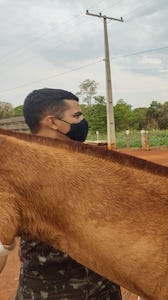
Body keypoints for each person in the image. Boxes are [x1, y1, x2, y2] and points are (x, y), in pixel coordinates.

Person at [2, 88, 122, 299]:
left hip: (104, 289)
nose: (83, 121)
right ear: (53, 122)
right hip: (49, 292)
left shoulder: (94, 164)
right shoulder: (14, 175)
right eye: (77, 116)